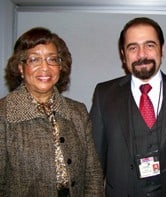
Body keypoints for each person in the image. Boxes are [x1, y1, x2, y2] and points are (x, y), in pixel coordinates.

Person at [90, 17, 166, 197]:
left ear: (162, 50)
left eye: (149, 45)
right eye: (133, 47)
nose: (142, 55)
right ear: (123, 55)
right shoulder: (104, 94)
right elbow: (94, 162)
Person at [0, 27, 104, 196]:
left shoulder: (77, 111)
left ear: (61, 66)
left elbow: (93, 173)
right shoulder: (4, 115)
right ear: (20, 67)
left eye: (52, 59)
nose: (45, 67)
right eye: (34, 59)